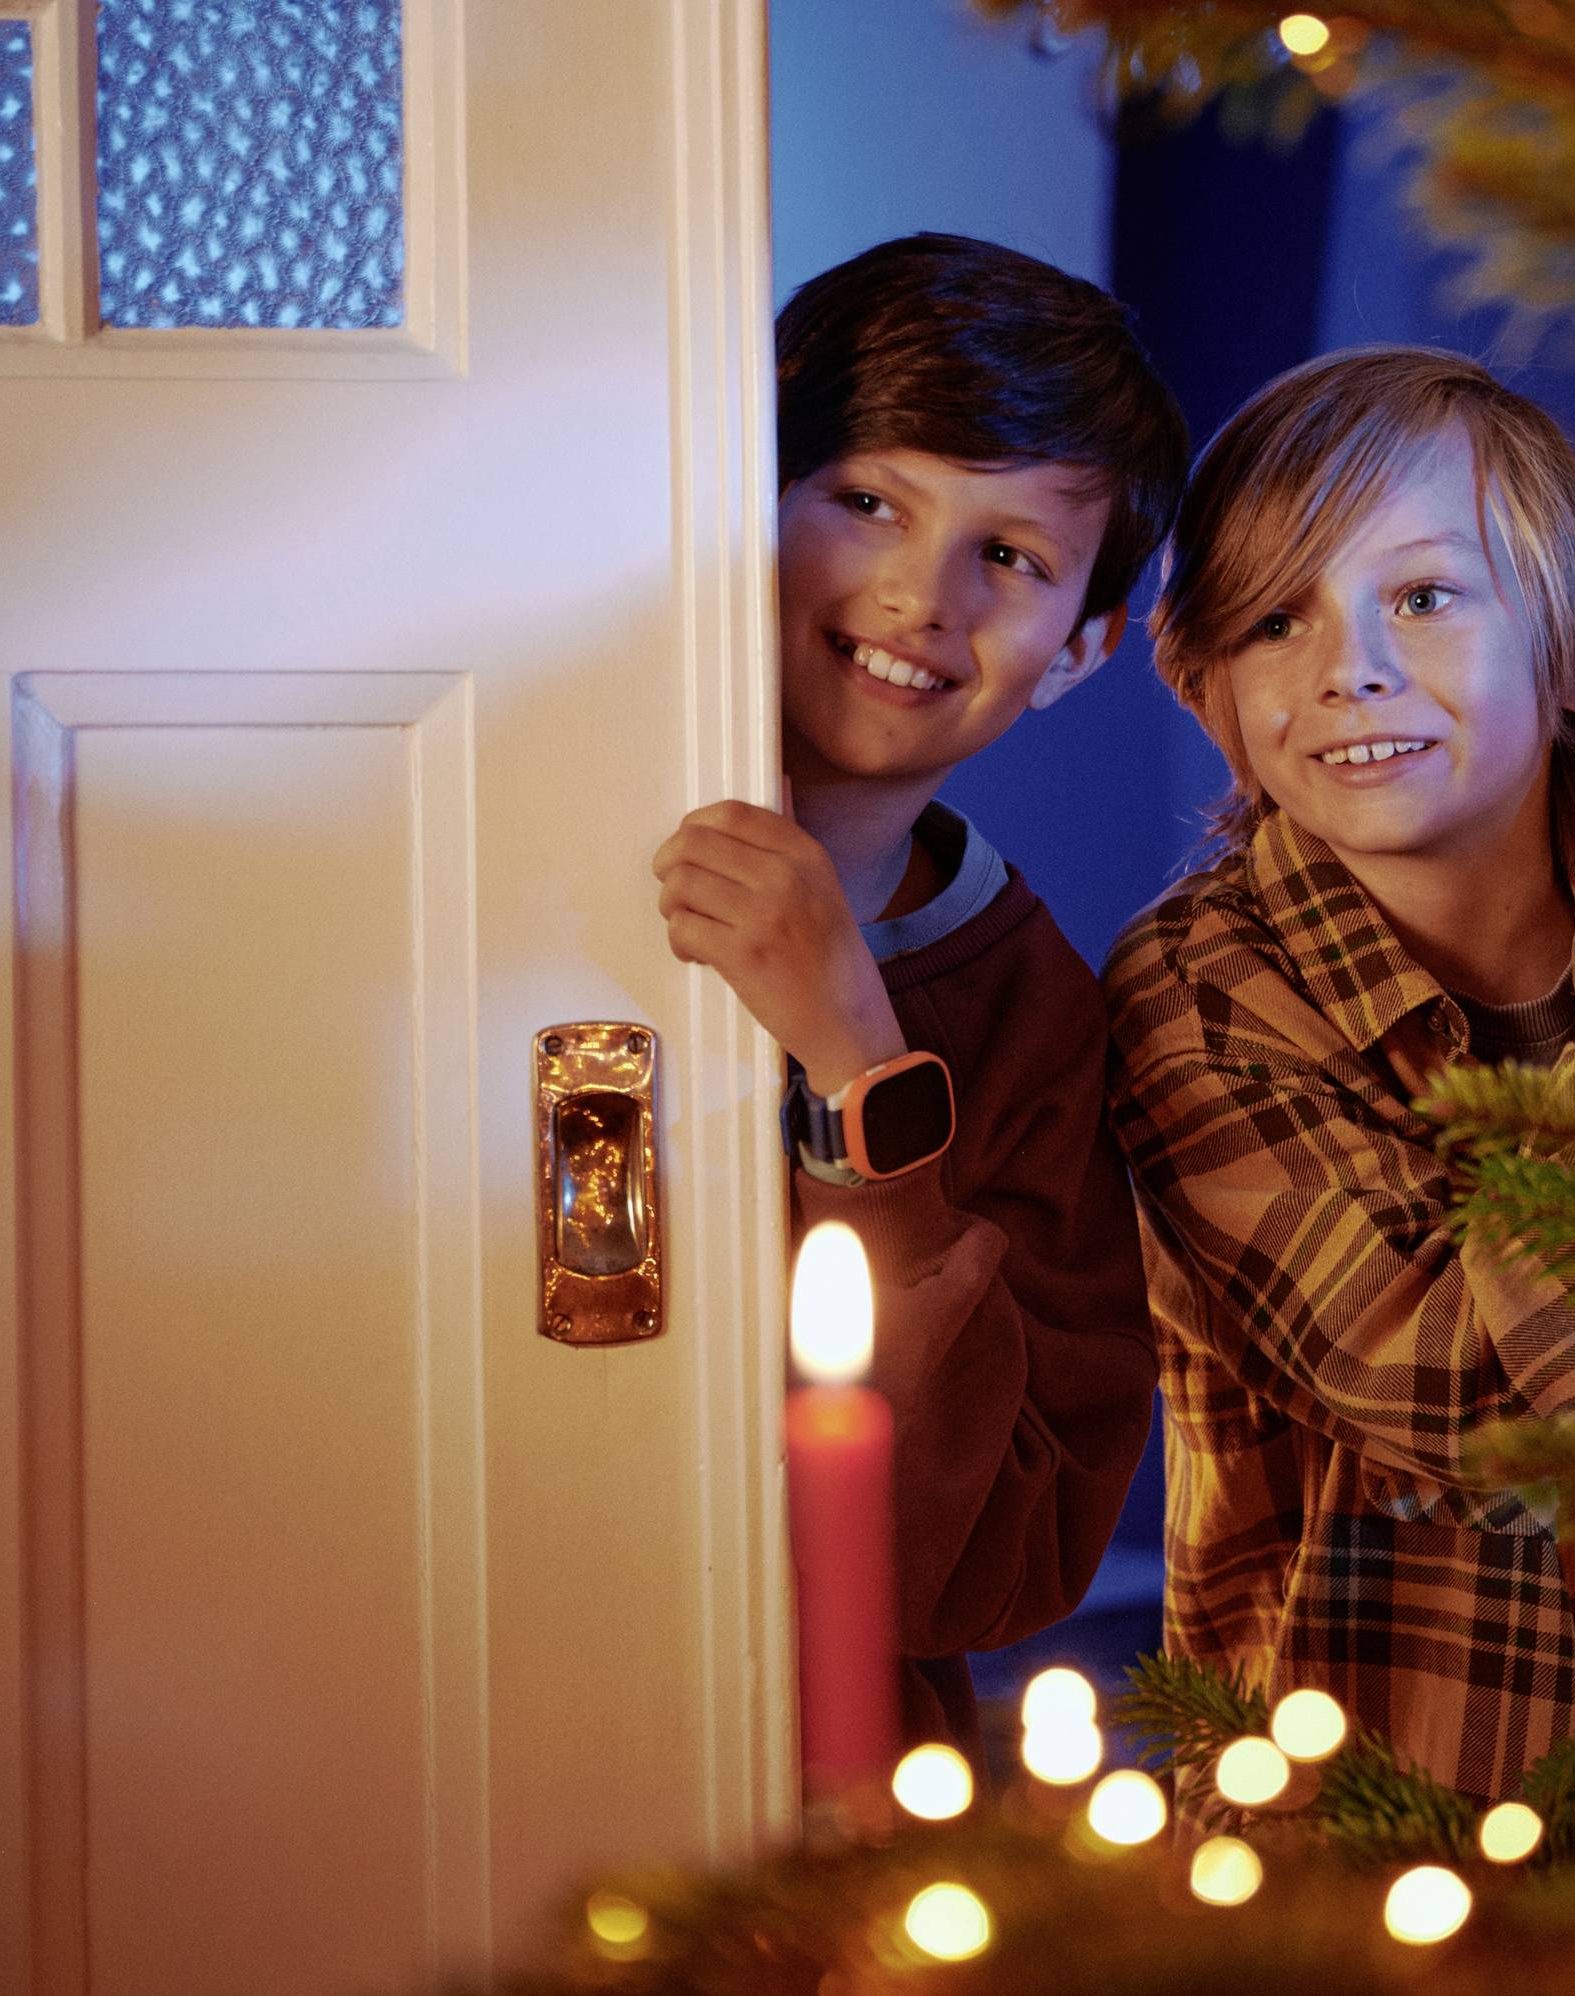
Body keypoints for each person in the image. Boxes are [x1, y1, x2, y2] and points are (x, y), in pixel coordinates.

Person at [1105, 346, 1575, 1797]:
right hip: (1369, 1849)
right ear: (1211, 699)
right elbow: (1514, 1425)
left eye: (1425, 597)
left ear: (1568, 653)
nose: (1348, 668)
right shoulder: (1196, 989)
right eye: (1272, 621)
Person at [654, 233, 1188, 1752]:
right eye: (870, 501)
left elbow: (993, 1563)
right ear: (745, 501)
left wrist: (855, 1057)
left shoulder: (1038, 1019)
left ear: (1082, 652)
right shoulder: (522, 828)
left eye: (1005, 557)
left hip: (821, 1774)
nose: (917, 595)